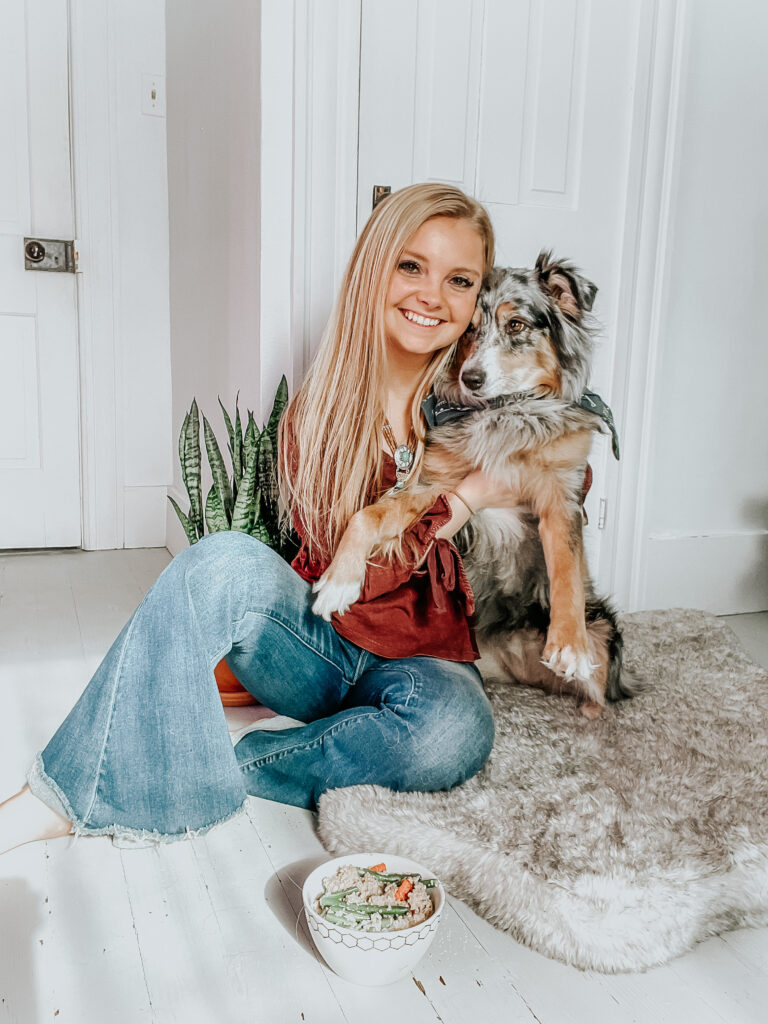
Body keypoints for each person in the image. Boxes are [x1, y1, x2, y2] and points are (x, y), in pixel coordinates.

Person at [0, 182, 510, 856]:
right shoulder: (318, 413)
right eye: (410, 266)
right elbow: (360, 575)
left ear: (480, 301)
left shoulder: (487, 403)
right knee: (223, 560)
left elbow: (566, 468)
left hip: (423, 660)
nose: (431, 295)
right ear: (373, 269)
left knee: (455, 731)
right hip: (319, 645)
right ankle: (54, 799)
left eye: (460, 280)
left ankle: (216, 766)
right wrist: (467, 497)